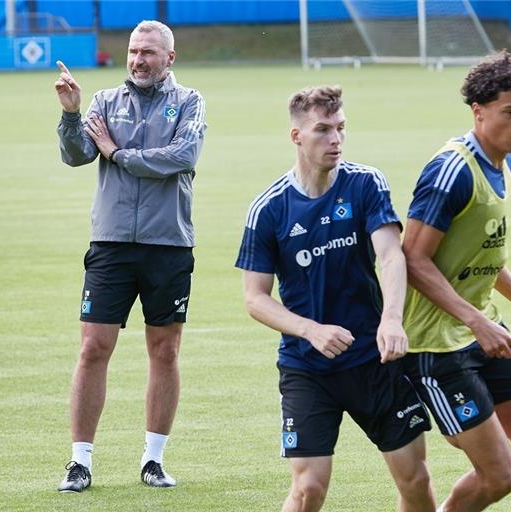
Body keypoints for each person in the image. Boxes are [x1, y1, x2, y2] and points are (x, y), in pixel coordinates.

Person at [235, 85, 436, 512]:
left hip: (375, 361)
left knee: (414, 479)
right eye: (323, 130)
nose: (336, 140)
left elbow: (390, 254)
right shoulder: (268, 209)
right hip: (308, 368)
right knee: (309, 489)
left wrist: (393, 320)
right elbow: (255, 298)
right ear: (296, 136)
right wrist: (311, 331)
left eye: (341, 128)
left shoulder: (365, 183)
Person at [401, 50, 511, 512]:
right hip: (435, 347)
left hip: (481, 333)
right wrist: (478, 323)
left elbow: (481, 259)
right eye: (510, 112)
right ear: (479, 112)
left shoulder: (505, 164)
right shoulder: (451, 171)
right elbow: (414, 261)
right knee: (501, 474)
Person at [53, 20, 207, 492]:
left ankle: (153, 459)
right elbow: (77, 156)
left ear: (169, 59)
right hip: (112, 243)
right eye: (134, 51)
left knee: (164, 350)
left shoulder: (190, 103)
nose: (139, 60)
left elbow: (180, 158)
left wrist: (118, 155)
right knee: (92, 347)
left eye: (149, 53)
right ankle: (80, 461)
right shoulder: (104, 101)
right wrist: (72, 115)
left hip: (168, 244)